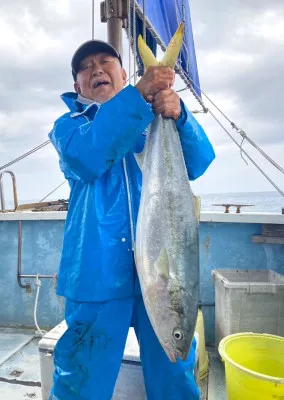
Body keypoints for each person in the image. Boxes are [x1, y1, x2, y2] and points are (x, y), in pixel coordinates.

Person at [48, 39, 215, 400]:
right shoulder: (68, 128)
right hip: (95, 273)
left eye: (106, 61)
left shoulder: (154, 121)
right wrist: (139, 97)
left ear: (123, 74)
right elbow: (87, 158)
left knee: (175, 374)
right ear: (77, 86)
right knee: (81, 378)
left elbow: (199, 163)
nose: (96, 69)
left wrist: (179, 114)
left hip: (158, 275)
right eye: (86, 67)